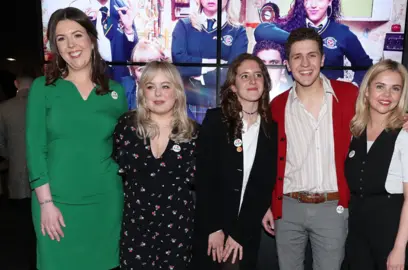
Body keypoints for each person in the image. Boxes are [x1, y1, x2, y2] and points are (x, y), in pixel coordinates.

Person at [261, 28, 408, 270]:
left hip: (332, 208)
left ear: (323, 59)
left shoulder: (349, 95)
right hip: (288, 208)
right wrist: (268, 203)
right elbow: (268, 158)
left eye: (312, 55)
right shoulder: (277, 105)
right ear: (287, 64)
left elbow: (381, 113)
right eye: (297, 57)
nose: (305, 63)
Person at [26, 7, 128, 270]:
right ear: (55, 46)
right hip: (55, 203)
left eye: (77, 35)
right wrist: (46, 203)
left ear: (92, 40)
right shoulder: (43, 88)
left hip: (105, 202)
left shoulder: (116, 92)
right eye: (61, 38)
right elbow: (35, 149)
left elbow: (125, 148)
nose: (71, 45)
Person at [192, 53, 278, 269]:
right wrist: (214, 228)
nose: (252, 81)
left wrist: (239, 234)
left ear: (265, 83)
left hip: (246, 229)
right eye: (245, 76)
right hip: (213, 227)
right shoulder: (215, 121)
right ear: (232, 86)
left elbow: (263, 186)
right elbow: (204, 179)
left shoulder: (272, 128)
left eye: (258, 75)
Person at [113, 61, 197, 269]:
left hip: (177, 233)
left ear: (177, 92)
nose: (158, 93)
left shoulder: (194, 133)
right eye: (150, 86)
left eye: (165, 86)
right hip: (135, 232)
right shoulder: (126, 127)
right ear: (142, 93)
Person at [343, 59, 408, 270]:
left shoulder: (407, 135)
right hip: (357, 229)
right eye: (380, 87)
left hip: (389, 228)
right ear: (367, 91)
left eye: (395, 89)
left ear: (401, 94)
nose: (387, 95)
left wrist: (399, 248)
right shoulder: (356, 132)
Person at [254, 0, 372, 86]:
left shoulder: (342, 33)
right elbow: (261, 31)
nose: (313, 5)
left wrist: (354, 85)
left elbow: (366, 66)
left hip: (330, 103)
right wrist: (298, 39)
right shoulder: (291, 27)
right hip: (293, 101)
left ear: (330, 2)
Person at [0, 68, 38, 270]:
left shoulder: (4, 108)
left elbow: (0, 145)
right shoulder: (44, 106)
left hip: (17, 177)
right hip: (46, 178)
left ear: (16, 84)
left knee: (23, 228)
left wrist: (11, 157)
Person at [172, 0, 248, 89]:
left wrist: (202, 78)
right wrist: (212, 64)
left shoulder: (238, 31)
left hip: (222, 98)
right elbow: (179, 61)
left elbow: (234, 70)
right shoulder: (184, 25)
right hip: (186, 97)